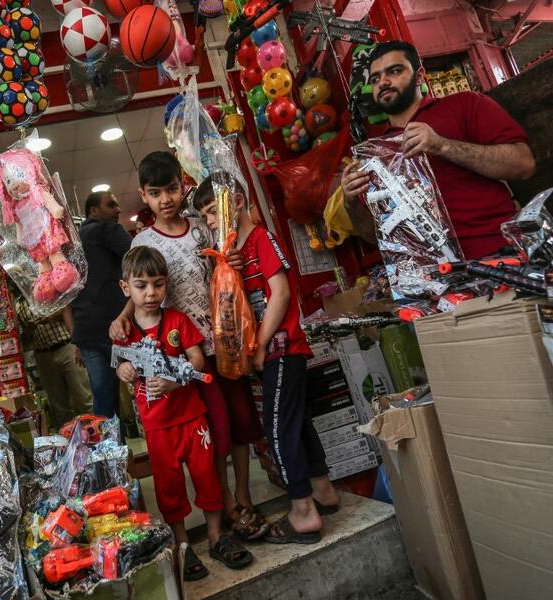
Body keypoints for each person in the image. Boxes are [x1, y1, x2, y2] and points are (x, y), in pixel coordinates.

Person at [110, 151, 269, 541]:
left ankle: (245, 494)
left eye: (172, 189)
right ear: (143, 197)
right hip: (184, 351)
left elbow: (228, 257)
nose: (166, 199)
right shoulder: (144, 240)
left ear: (183, 187)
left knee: (241, 422)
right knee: (211, 429)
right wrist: (124, 314)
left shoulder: (204, 225)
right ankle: (227, 500)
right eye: (155, 193)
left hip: (226, 340)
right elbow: (140, 283)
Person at [194, 175, 340, 544]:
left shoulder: (261, 238)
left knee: (278, 431)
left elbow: (281, 294)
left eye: (213, 212)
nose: (211, 222)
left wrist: (258, 345)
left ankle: (303, 512)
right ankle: (323, 491)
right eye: (206, 217)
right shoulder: (236, 250)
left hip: (281, 350)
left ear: (237, 204)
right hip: (272, 352)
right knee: (298, 422)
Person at [115, 245, 253, 579]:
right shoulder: (124, 330)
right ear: (126, 289)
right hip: (157, 426)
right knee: (169, 486)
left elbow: (197, 360)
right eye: (141, 286)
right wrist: (124, 370)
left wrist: (175, 383)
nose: (151, 293)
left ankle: (217, 536)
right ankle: (183, 544)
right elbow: (119, 363)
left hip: (192, 418)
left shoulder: (177, 319)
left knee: (207, 478)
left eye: (158, 284)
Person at [342, 40, 535, 260]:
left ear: (420, 75)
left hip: (499, 256)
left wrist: (442, 145)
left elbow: (523, 164)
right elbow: (374, 235)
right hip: (435, 280)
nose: (383, 82)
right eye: (375, 78)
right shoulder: (376, 153)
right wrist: (351, 202)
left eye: (394, 71)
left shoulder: (465, 104)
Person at [71, 191, 132, 418]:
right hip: (120, 327)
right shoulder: (108, 229)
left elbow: (68, 298)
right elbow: (138, 259)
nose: (117, 209)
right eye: (111, 205)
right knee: (147, 390)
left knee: (104, 401)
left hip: (87, 332)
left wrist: (76, 338)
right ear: (93, 211)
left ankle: (111, 451)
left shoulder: (72, 243)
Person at [15, 296, 93, 429]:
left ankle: (96, 435)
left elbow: (68, 309)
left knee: (84, 397)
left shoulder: (47, 290)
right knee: (59, 406)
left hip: (66, 347)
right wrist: (29, 329)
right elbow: (25, 340)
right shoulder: (18, 305)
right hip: (43, 355)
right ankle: (68, 442)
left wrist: (52, 316)